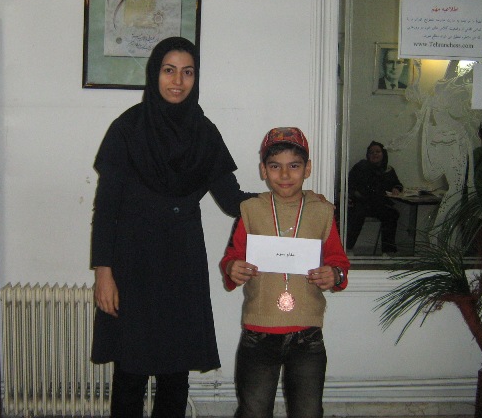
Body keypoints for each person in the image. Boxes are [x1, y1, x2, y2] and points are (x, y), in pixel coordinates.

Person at [89, 36, 257, 418]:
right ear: (155, 74)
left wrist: (286, 198)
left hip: (182, 260)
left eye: (187, 72)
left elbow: (232, 199)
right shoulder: (127, 129)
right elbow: (106, 208)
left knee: (175, 372)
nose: (178, 81)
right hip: (132, 260)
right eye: (169, 70)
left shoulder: (204, 131)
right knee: (130, 372)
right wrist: (103, 272)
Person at [220, 127, 350, 418]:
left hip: (308, 334)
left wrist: (335, 275)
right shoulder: (250, 210)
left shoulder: (322, 211)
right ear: (263, 170)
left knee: (308, 411)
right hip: (258, 332)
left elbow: (339, 261)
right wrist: (232, 268)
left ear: (308, 169)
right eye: (275, 166)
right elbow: (232, 257)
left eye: (294, 166)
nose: (285, 174)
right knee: (253, 410)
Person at [346, 141, 403, 255]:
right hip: (361, 202)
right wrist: (356, 194)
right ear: (368, 155)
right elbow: (349, 184)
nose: (374, 154)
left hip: (378, 204)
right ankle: (347, 248)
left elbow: (398, 184)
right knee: (357, 214)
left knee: (392, 214)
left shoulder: (388, 170)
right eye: (371, 152)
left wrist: (396, 189)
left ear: (383, 154)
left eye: (378, 152)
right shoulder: (361, 167)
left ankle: (388, 251)